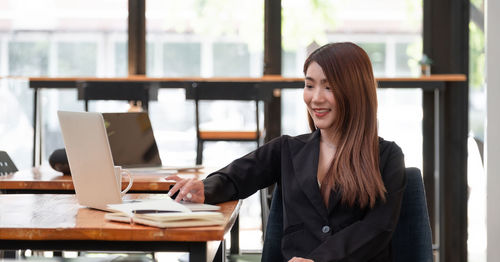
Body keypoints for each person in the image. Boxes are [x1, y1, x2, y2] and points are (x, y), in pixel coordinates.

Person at [166, 42, 406, 262]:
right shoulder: (288, 149)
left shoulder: (387, 157)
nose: (315, 98)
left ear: (355, 92)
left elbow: (377, 229)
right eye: (309, 85)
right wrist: (203, 189)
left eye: (329, 87)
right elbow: (236, 177)